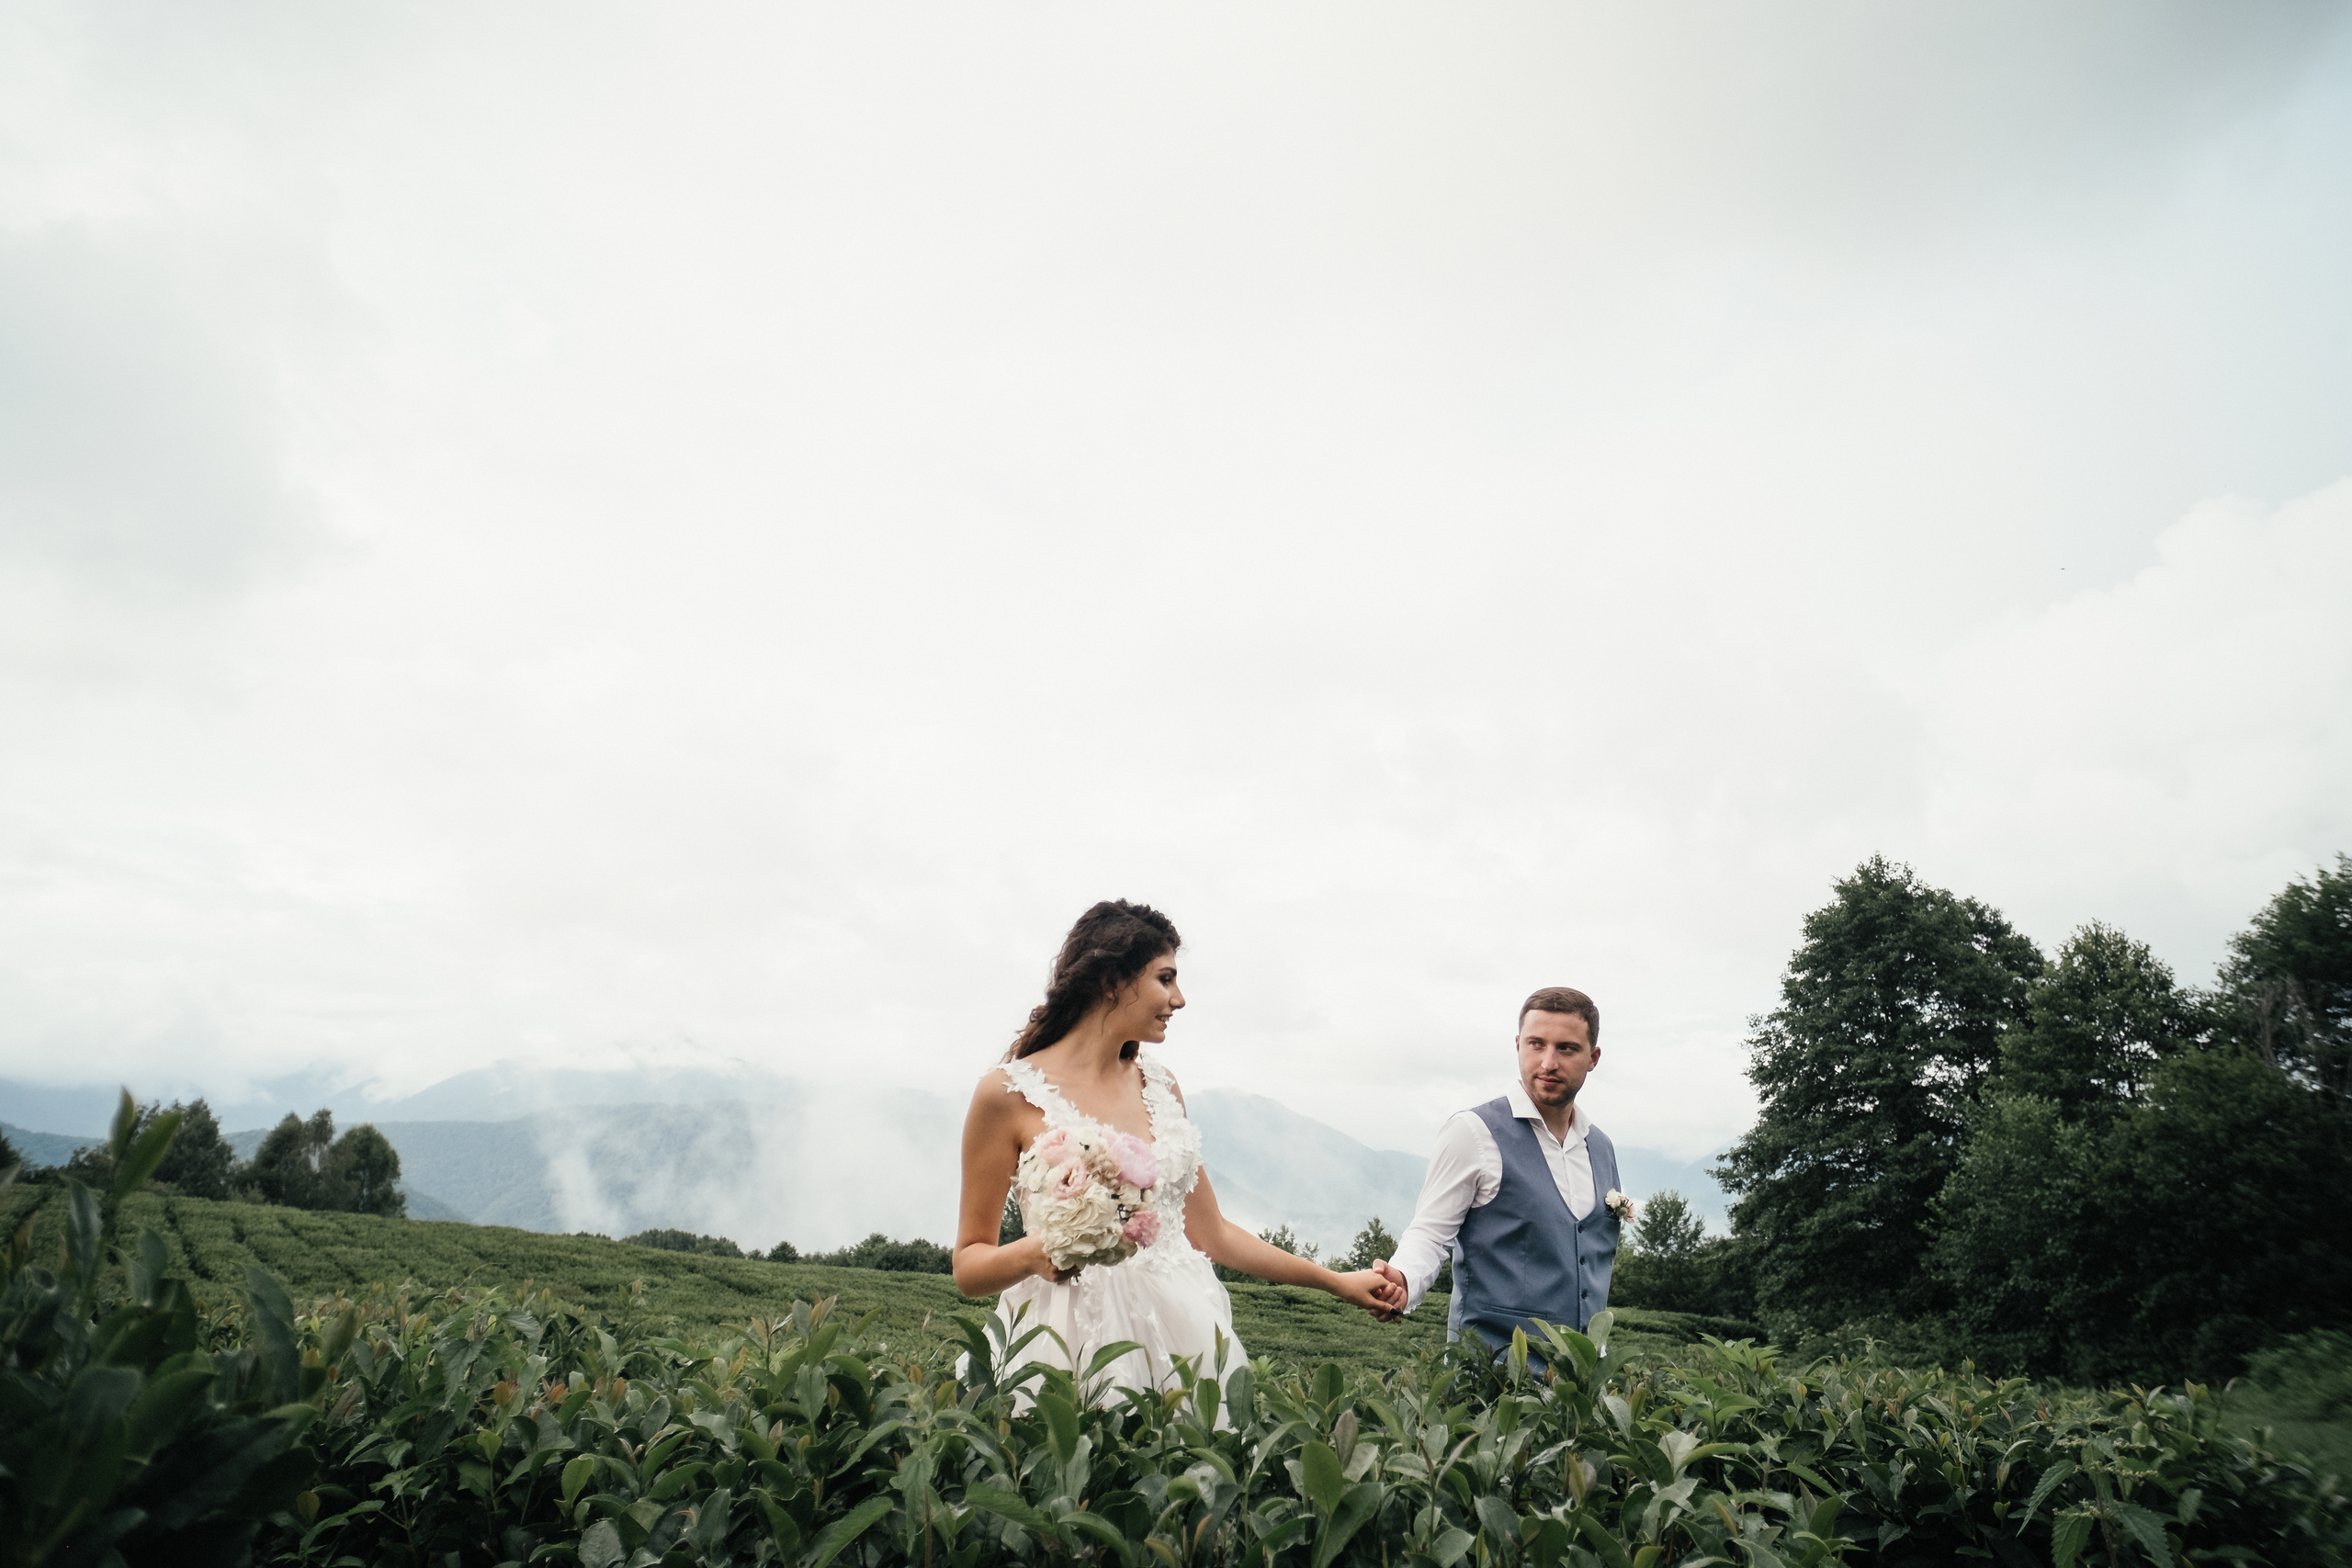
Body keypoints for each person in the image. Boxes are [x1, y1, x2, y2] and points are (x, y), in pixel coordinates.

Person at [955, 899, 1406, 1397]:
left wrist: (1337, 1282)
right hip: (1062, 1336)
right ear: (1110, 981)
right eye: (1165, 979)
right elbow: (969, 1267)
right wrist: (1038, 1251)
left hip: (1181, 1334)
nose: (1180, 999)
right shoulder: (1006, 1094)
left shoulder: (1160, 1086)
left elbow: (1214, 1234)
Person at [1374, 986, 1623, 1351]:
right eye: (1536, 1044)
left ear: (1593, 1057)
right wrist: (1403, 1280)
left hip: (1583, 1380)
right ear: (1518, 1045)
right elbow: (1430, 1234)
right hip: (1490, 1374)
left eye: (1566, 1048)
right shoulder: (1473, 1132)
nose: (1548, 1063)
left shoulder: (1601, 1148)